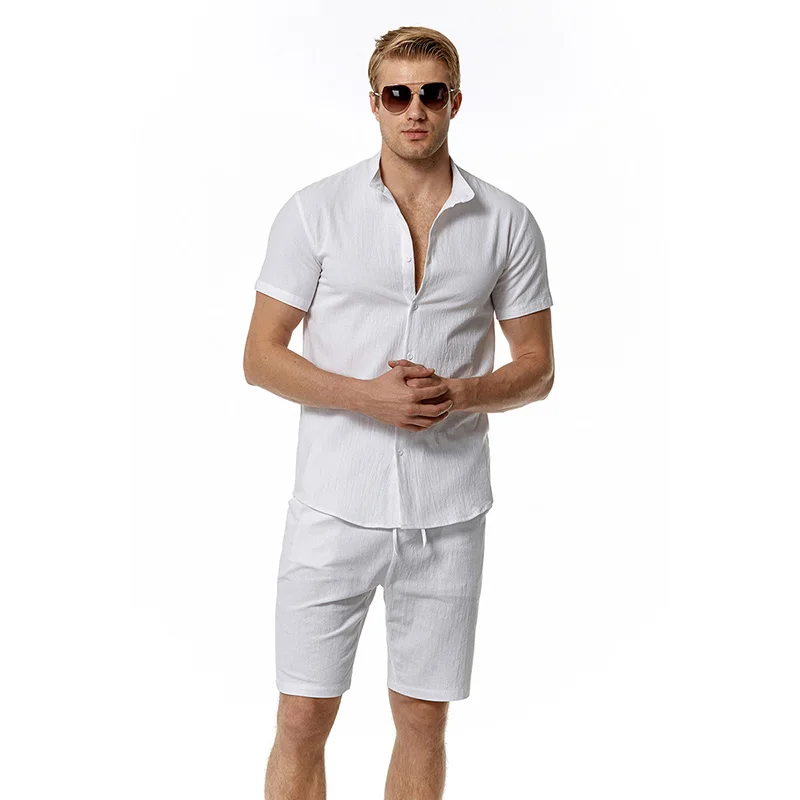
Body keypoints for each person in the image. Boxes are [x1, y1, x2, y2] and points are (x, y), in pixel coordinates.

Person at [243, 25, 555, 800]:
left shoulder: (507, 221)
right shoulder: (315, 211)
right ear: (375, 103)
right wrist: (366, 397)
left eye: (430, 94)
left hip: (446, 514)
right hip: (331, 507)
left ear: (455, 102)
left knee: (422, 723)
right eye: (398, 94)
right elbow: (261, 356)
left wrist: (461, 393)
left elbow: (537, 367)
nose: (414, 110)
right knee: (302, 718)